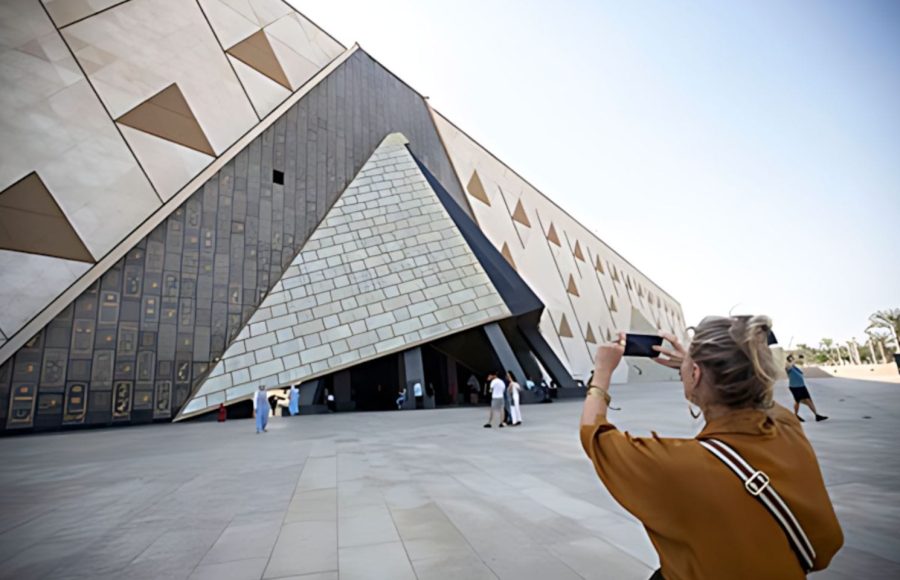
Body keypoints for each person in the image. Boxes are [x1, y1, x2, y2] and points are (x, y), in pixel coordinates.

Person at [580, 317, 843, 579]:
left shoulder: (674, 465)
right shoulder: (786, 426)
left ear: (695, 373)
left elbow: (594, 434)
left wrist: (602, 372)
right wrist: (691, 366)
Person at [786, 355, 828, 422]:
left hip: (801, 386)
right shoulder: (788, 367)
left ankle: (817, 415)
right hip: (795, 387)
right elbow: (790, 366)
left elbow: (800, 373)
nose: (793, 360)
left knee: (808, 400)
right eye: (792, 359)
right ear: (789, 360)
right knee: (797, 401)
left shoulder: (794, 367)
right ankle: (795, 415)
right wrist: (795, 359)